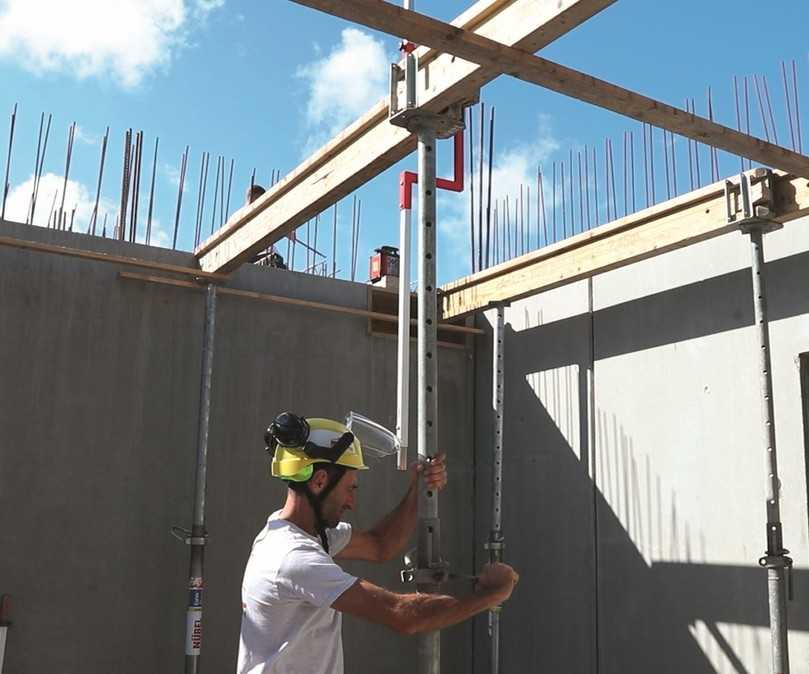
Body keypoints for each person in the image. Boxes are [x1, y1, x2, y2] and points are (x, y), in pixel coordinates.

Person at [237, 412, 519, 674]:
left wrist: (419, 490)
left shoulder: (303, 535)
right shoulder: (294, 557)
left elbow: (380, 544)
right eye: (350, 488)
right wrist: (491, 595)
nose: (351, 502)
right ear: (320, 480)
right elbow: (402, 615)